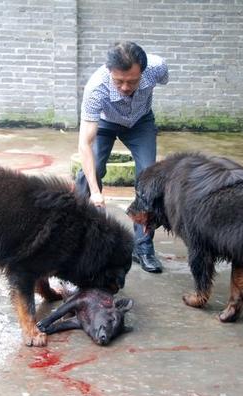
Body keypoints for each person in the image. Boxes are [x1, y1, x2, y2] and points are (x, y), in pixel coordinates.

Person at [75, 41, 168, 274]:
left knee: (149, 177)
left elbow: (163, 78)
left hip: (140, 122)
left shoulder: (157, 68)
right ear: (109, 72)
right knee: (91, 171)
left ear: (143, 73)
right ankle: (70, 236)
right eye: (119, 81)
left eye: (132, 81)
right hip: (106, 122)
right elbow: (85, 143)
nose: (125, 87)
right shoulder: (96, 87)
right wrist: (95, 192)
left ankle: (143, 247)